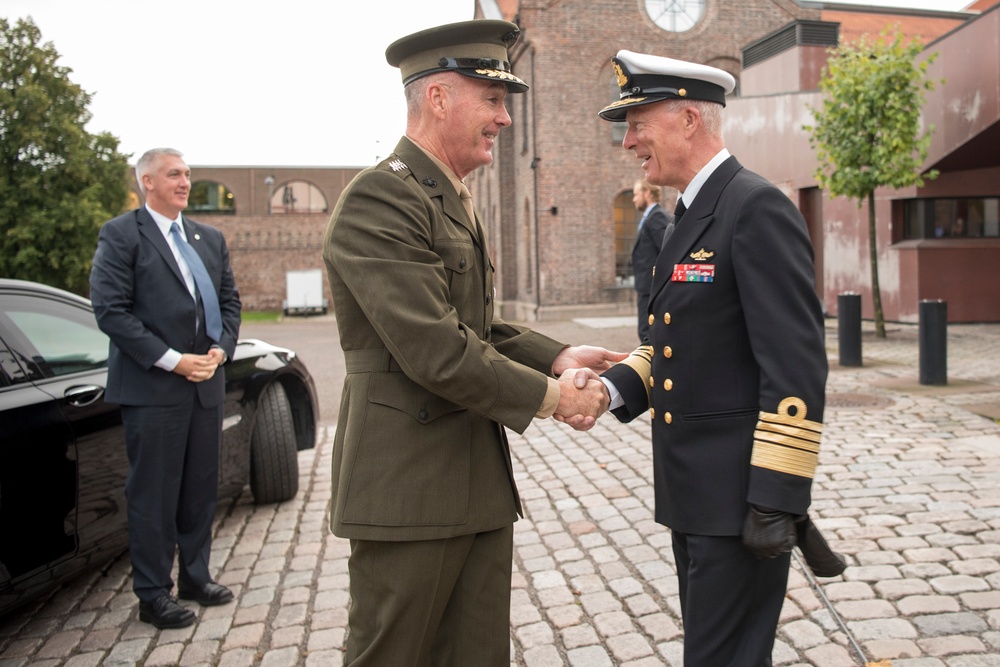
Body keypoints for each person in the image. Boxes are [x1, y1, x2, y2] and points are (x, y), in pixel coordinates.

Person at [322, 19, 623, 667]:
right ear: (438, 98)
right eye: (491, 99)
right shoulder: (382, 198)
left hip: (472, 481)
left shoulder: (449, 196)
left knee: (477, 654)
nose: (504, 118)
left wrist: (558, 356)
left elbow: (475, 324)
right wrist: (553, 395)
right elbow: (436, 348)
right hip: (409, 489)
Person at [596, 52, 830, 666]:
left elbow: (795, 369)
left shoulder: (754, 208)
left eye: (637, 122)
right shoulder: (691, 214)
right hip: (697, 496)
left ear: (689, 119)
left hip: (741, 502)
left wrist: (777, 497)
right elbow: (680, 342)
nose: (629, 143)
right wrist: (611, 389)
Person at [90, 148, 241, 629]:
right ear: (147, 182)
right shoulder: (121, 234)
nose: (185, 182)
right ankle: (153, 594)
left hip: (205, 386)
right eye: (174, 174)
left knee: (200, 489)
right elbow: (111, 311)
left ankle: (196, 576)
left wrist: (221, 349)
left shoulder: (208, 238)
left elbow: (231, 302)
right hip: (154, 390)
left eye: (187, 174)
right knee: (153, 495)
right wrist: (175, 361)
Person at [631, 179, 672, 342]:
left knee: (647, 333)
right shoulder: (651, 217)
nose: (634, 199)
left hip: (652, 288)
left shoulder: (657, 217)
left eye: (636, 195)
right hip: (646, 287)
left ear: (647, 193)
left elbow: (668, 252)